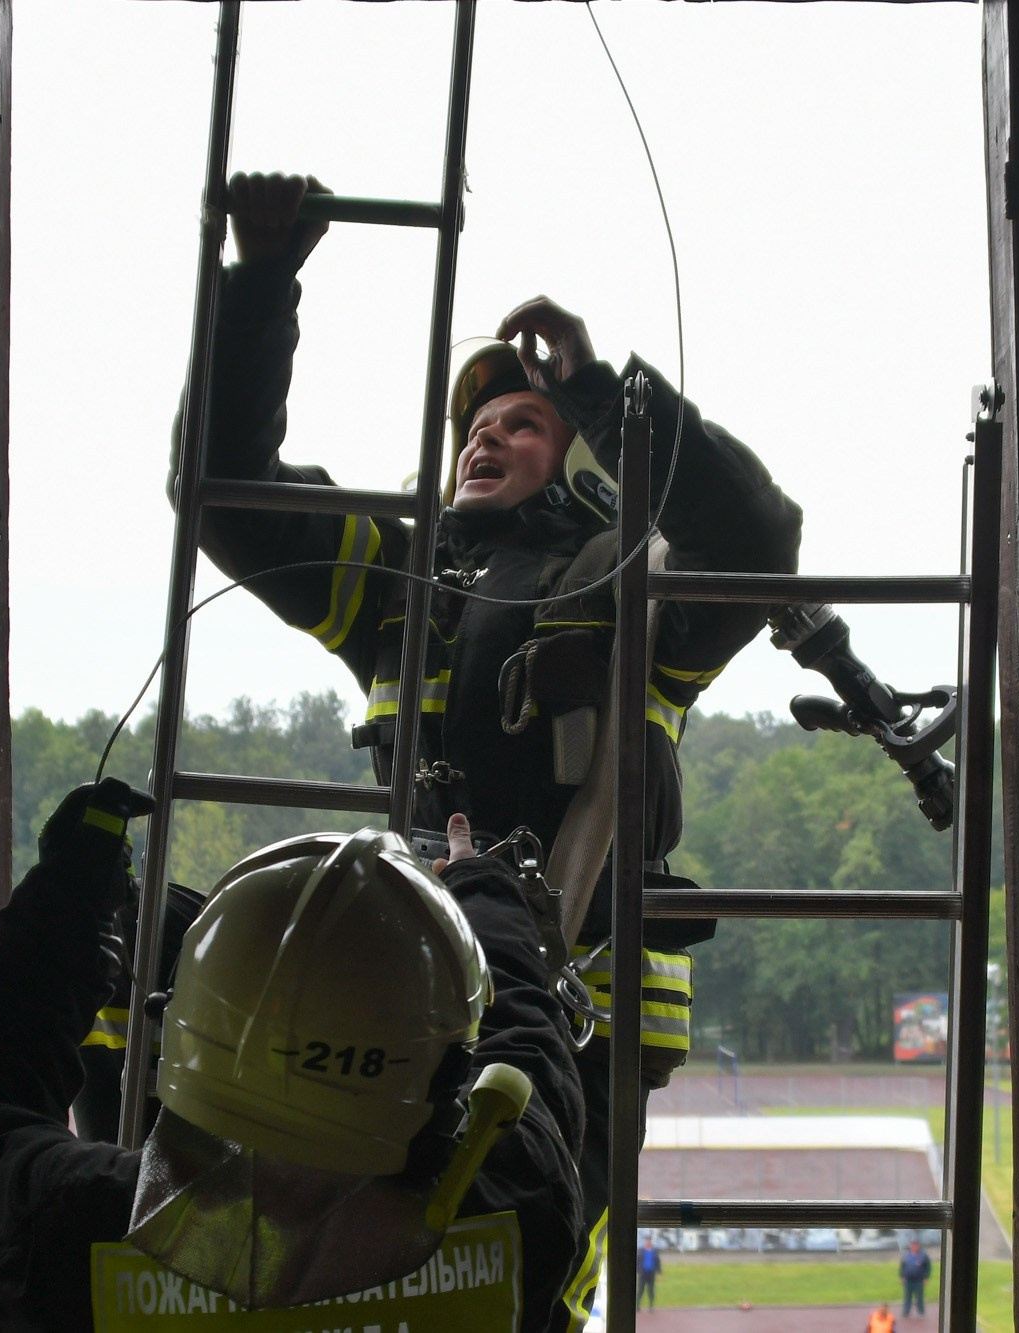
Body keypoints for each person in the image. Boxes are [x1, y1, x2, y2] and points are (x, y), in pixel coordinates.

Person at [177, 170, 805, 1310]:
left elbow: (759, 534)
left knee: (523, 1263)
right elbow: (223, 496)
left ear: (580, 462)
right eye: (473, 426)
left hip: (584, 1000)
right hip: (407, 982)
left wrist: (603, 391)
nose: (484, 439)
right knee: (371, 1268)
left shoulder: (638, 582)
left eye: (523, 422)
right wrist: (261, 282)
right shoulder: (393, 577)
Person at [0, 781, 586, 1332]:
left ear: (186, 1024)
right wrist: (483, 895)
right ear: (445, 1075)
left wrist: (66, 907)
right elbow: (531, 1049)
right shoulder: (516, 1212)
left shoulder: (72, 1241)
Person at [899, 1239, 932, 1318]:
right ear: (910, 1246)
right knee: (907, 1297)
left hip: (919, 1280)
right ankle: (906, 1312)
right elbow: (902, 1266)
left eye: (915, 1245)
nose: (914, 1246)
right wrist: (901, 1276)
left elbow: (928, 1267)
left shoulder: (923, 1255)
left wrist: (926, 1278)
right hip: (908, 1280)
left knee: (919, 1297)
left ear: (918, 1246)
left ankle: (921, 1312)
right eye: (912, 1245)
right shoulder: (906, 1255)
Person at [636, 1235, 661, 1311]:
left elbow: (657, 1262)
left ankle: (651, 1306)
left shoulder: (654, 1251)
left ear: (651, 1242)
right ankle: (637, 1305)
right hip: (643, 1273)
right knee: (640, 1290)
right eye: (647, 1240)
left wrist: (659, 1272)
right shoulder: (641, 1250)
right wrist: (637, 1272)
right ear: (645, 1242)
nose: (648, 1242)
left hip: (651, 1273)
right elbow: (637, 1262)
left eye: (649, 1240)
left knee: (651, 1290)